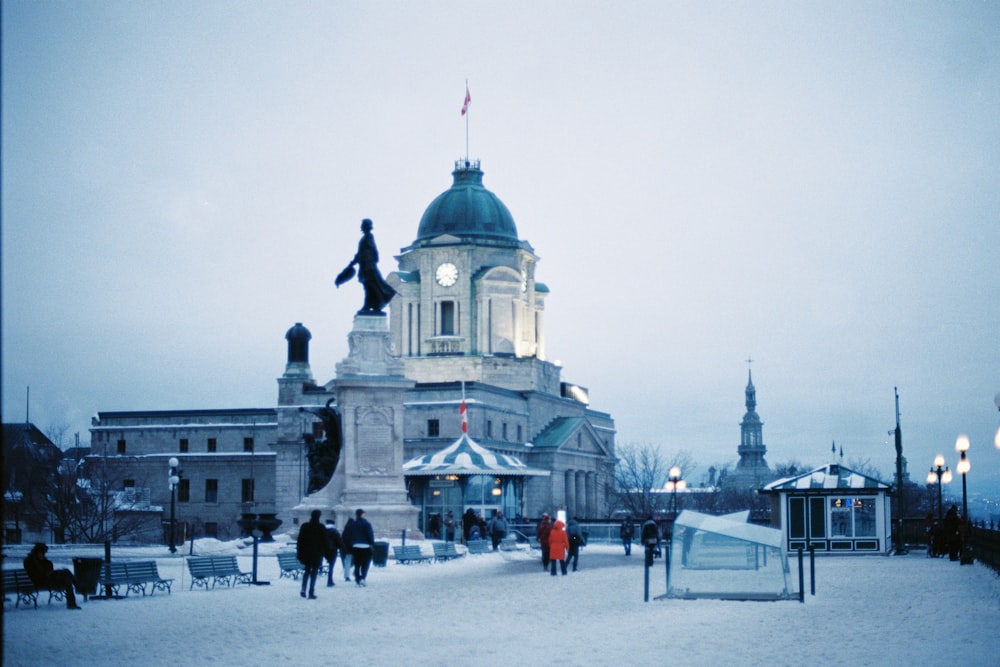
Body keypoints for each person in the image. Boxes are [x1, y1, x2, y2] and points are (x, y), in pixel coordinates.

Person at [337, 218, 396, 315]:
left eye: (363, 225)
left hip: (369, 268)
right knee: (369, 287)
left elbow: (372, 252)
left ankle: (373, 305)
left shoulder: (368, 237)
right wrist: (353, 263)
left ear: (366, 226)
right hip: (365, 267)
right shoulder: (365, 238)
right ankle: (371, 305)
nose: (361, 226)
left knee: (371, 287)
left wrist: (369, 263)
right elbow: (361, 254)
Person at [23, 543, 81, 610]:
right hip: (40, 582)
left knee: (67, 576)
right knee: (66, 575)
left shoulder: (43, 561)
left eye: (43, 553)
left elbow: (49, 568)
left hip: (47, 579)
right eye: (41, 553)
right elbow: (36, 574)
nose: (43, 555)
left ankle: (73, 601)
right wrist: (46, 571)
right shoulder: (30, 561)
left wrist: (47, 568)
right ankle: (77, 590)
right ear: (36, 552)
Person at [296, 509, 327, 599]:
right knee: (314, 572)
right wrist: (325, 553)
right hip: (317, 553)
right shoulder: (321, 527)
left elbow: (300, 541)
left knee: (307, 571)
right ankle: (311, 592)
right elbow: (325, 542)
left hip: (306, 553)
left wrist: (299, 552)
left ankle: (303, 589)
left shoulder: (305, 526)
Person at [348, 508, 375, 586]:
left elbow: (350, 535)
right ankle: (363, 578)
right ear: (362, 514)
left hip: (356, 546)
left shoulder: (353, 524)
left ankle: (357, 579)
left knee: (357, 564)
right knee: (365, 564)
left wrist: (352, 543)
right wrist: (372, 544)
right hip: (365, 546)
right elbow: (370, 534)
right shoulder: (367, 524)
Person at [324, 519, 343, 587]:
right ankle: (330, 580)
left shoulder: (323, 531)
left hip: (324, 551)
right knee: (331, 566)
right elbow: (339, 542)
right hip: (333, 550)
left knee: (329, 564)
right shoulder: (335, 531)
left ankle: (330, 580)